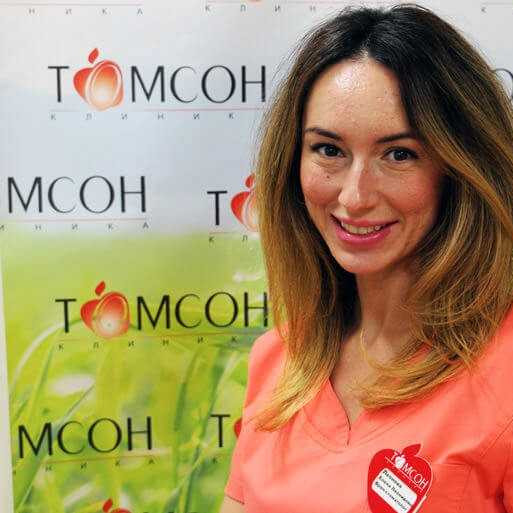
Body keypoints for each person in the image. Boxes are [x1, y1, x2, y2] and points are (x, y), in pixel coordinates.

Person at [220, 3, 513, 512]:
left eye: (399, 154)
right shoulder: (280, 356)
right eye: (329, 150)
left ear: (460, 168)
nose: (354, 197)